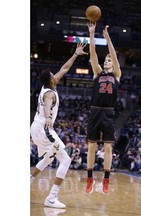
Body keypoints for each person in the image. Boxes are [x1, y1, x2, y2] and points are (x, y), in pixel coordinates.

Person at [30, 42, 88, 208]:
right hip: (43, 128)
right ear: (50, 79)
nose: (55, 74)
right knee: (66, 160)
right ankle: (51, 197)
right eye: (51, 74)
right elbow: (48, 102)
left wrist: (76, 54)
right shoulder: (49, 92)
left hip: (37, 127)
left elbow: (65, 68)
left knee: (49, 157)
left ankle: (29, 179)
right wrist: (48, 116)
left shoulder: (48, 84)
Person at [86, 22, 122, 195]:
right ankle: (90, 178)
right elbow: (93, 54)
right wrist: (92, 34)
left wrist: (108, 39)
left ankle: (106, 180)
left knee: (108, 148)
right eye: (106, 60)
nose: (107, 61)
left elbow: (114, 56)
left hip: (108, 113)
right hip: (95, 111)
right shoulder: (97, 73)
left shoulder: (116, 75)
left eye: (109, 60)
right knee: (92, 146)